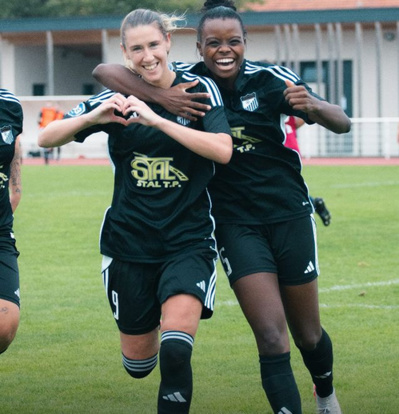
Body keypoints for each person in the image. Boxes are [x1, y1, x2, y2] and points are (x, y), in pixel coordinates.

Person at [92, 1, 351, 413]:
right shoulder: (188, 84)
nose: (224, 50)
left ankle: (326, 395)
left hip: (289, 215)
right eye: (213, 43)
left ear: (246, 42)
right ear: (198, 47)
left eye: (233, 41)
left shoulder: (270, 79)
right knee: (271, 335)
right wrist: (168, 101)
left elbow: (342, 121)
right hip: (233, 224)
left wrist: (316, 107)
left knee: (309, 335)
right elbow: (105, 73)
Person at [39, 8, 232, 414]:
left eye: (154, 45)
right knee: (139, 366)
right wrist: (95, 115)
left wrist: (158, 121)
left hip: (187, 240)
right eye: (137, 49)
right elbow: (46, 136)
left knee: (176, 352)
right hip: (129, 245)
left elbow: (222, 150)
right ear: (126, 54)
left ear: (168, 43)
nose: (148, 56)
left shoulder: (199, 88)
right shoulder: (117, 97)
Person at [0, 89, 23, 355]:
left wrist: (16, 192)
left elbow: (14, 147)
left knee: (5, 326)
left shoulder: (9, 104)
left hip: (1, 231)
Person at [285, 115, 331, 226]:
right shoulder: (285, 103)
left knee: (286, 186)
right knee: (288, 185)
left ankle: (312, 204)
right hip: (292, 146)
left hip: (282, 148)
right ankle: (314, 203)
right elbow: (299, 120)